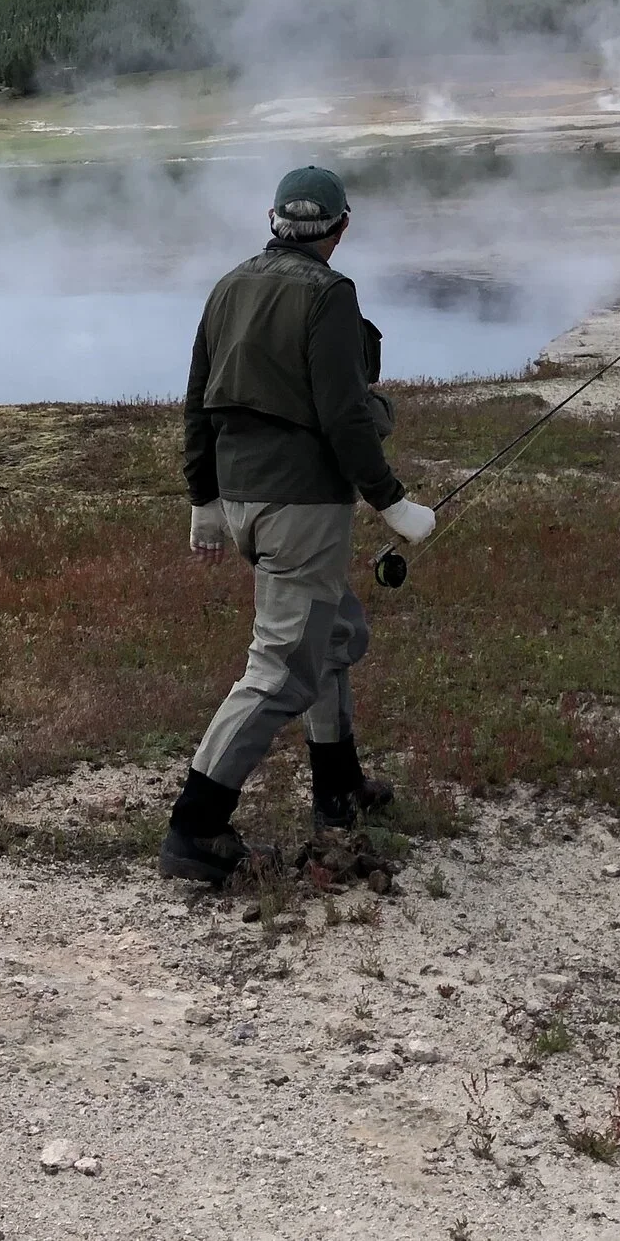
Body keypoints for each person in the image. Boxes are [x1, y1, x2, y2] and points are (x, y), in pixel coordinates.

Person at [160, 166, 438, 887]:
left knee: (335, 633)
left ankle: (339, 790)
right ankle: (196, 825)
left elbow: (196, 401)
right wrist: (393, 502)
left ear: (275, 221)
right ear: (340, 229)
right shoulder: (331, 294)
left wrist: (205, 501)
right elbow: (345, 415)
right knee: (282, 666)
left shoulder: (228, 285)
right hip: (303, 509)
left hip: (247, 506)